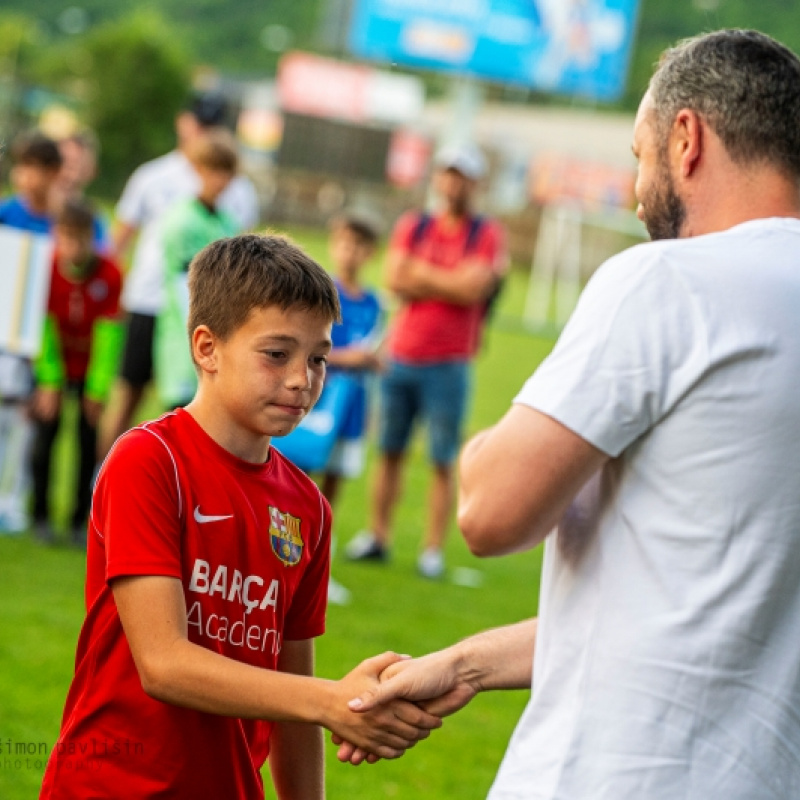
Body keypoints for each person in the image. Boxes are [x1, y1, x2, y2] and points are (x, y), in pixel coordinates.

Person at [341, 29, 800, 798]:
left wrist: (493, 441)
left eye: (638, 155)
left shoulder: (666, 280)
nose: (634, 190)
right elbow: (710, 606)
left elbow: (490, 514)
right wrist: (467, 661)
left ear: (685, 139)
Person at [39, 234, 439, 800]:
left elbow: (291, 697)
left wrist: (317, 713)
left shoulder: (308, 509)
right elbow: (164, 664)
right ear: (207, 348)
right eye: (277, 354)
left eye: (319, 358)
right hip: (109, 785)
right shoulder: (150, 462)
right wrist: (331, 701)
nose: (303, 379)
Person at [346, 142, 508, 579]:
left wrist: (423, 277)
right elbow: (395, 277)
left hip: (450, 362)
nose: (452, 183)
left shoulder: (486, 233)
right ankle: (378, 536)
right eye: (446, 173)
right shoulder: (414, 225)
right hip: (402, 356)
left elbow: (473, 288)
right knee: (390, 451)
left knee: (442, 458)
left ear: (474, 183)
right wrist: (448, 282)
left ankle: (432, 549)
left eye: (461, 175)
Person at [102, 92, 259, 453]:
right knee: (129, 391)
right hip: (149, 299)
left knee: (187, 401)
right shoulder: (154, 175)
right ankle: (106, 474)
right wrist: (111, 292)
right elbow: (119, 239)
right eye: (198, 124)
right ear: (183, 122)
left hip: (200, 312)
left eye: (211, 126)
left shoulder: (238, 192)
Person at [30, 198, 123, 546]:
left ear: (92, 237)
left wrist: (97, 390)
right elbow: (42, 327)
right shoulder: (46, 269)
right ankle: (38, 515)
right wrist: (49, 382)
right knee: (45, 440)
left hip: (89, 371)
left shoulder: (111, 273)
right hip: (54, 367)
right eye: (66, 238)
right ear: (57, 236)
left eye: (80, 238)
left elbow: (110, 335)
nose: (73, 247)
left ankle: (77, 521)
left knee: (87, 445)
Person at [0, 131, 62, 534]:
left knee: (32, 420)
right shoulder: (7, 213)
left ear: (53, 173)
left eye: (34, 168)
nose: (25, 177)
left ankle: (18, 500)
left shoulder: (67, 220)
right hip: (7, 331)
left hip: (48, 338)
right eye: (20, 167)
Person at [154, 128, 241, 409]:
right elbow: (185, 286)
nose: (221, 180)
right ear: (198, 169)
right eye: (214, 170)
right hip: (184, 330)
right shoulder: (182, 221)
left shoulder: (228, 222)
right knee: (180, 413)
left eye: (227, 172)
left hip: (220, 329)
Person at [319, 212, 384, 509]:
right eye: (345, 244)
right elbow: (305, 348)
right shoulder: (320, 291)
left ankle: (322, 534)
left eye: (358, 246)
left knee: (336, 472)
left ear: (370, 253)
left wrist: (374, 362)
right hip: (317, 396)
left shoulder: (374, 303)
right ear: (334, 246)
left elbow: (374, 350)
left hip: (352, 401)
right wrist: (350, 358)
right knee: (301, 465)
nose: (350, 253)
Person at [52, 129, 110, 251]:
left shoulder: (95, 222)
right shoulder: (18, 209)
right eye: (61, 162)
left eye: (75, 166)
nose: (65, 172)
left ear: (91, 171)